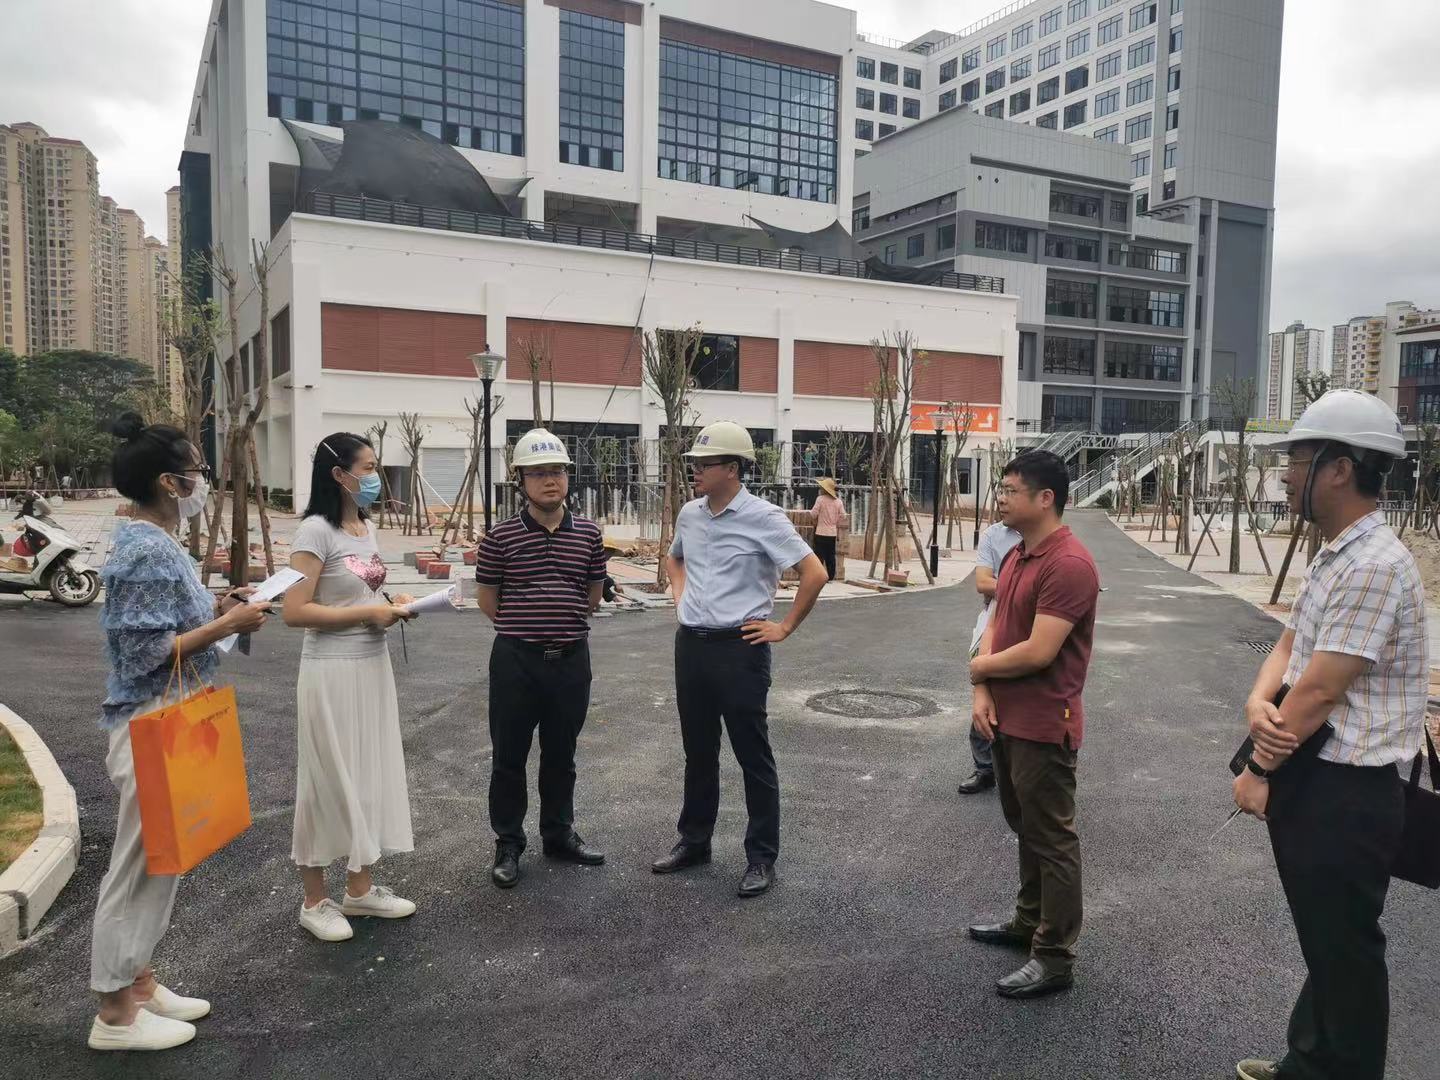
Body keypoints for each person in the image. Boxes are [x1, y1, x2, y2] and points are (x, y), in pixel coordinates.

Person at [1231, 391, 1425, 1080]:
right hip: (1319, 775)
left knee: (1345, 951)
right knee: (1328, 939)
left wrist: (1258, 769)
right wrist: (1258, 700)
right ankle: (1309, 1062)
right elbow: (1290, 644)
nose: (1286, 474)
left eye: (1298, 459)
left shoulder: (1373, 565)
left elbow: (1318, 690)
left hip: (1346, 790)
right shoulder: (1337, 555)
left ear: (1340, 469)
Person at [88, 412, 271, 1052]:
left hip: (168, 714)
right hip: (150, 720)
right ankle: (114, 1013)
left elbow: (170, 627)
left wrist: (221, 608)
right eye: (197, 470)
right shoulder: (143, 550)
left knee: (163, 858)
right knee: (139, 867)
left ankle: (138, 982)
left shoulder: (160, 542)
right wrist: (227, 626)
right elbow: (144, 654)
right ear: (169, 482)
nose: (203, 480)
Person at [652, 421, 828, 897]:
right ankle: (694, 841)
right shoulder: (690, 514)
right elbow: (674, 559)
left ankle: (761, 857)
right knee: (698, 751)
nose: (694, 471)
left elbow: (814, 572)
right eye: (693, 464)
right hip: (692, 646)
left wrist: (784, 627)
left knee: (753, 754)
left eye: (703, 464)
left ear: (732, 469)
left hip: (741, 648)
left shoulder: (764, 517)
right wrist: (681, 597)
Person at [966, 449, 1099, 999]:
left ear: (1046, 499)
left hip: (1045, 722)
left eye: (1010, 490)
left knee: (1051, 837)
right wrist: (981, 689)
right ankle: (1029, 922)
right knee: (1026, 826)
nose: (1000, 498)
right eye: (1001, 488)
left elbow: (1041, 650)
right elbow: (995, 625)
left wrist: (979, 670)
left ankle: (1054, 955)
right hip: (1008, 716)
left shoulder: (1069, 564)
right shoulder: (1018, 554)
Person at [282, 434, 418, 943]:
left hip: (371, 666)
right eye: (367, 467)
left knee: (367, 775)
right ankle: (314, 901)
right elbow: (295, 611)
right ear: (339, 475)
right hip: (331, 670)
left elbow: (362, 594)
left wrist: (393, 604)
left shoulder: (365, 527)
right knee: (325, 781)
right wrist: (368, 613)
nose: (375, 476)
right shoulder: (314, 531)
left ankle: (359, 891)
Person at [475, 429, 609, 889]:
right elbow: (488, 600)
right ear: (521, 481)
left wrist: (558, 621)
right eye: (538, 473)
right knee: (508, 757)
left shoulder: (589, 534)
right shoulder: (500, 537)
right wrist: (527, 627)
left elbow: (592, 594)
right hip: (516, 661)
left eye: (557, 471)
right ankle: (509, 843)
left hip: (570, 661)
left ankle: (558, 834)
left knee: (561, 755)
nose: (550, 481)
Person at [957, 518, 1023, 795]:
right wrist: (1026, 588)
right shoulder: (993, 535)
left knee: (1018, 695)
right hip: (993, 620)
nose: (1003, 499)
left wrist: (1006, 587)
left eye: (1011, 495)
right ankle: (984, 768)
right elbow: (983, 582)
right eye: (1000, 495)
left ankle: (1018, 770)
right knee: (984, 691)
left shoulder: (1044, 535)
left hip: (1030, 623)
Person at [810, 477, 847, 581]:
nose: (820, 489)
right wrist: (835, 521)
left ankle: (818, 575)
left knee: (819, 555)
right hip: (832, 533)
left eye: (821, 487)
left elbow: (813, 514)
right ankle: (830, 577)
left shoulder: (820, 499)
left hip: (820, 532)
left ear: (824, 489)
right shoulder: (838, 502)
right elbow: (843, 516)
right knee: (831, 555)